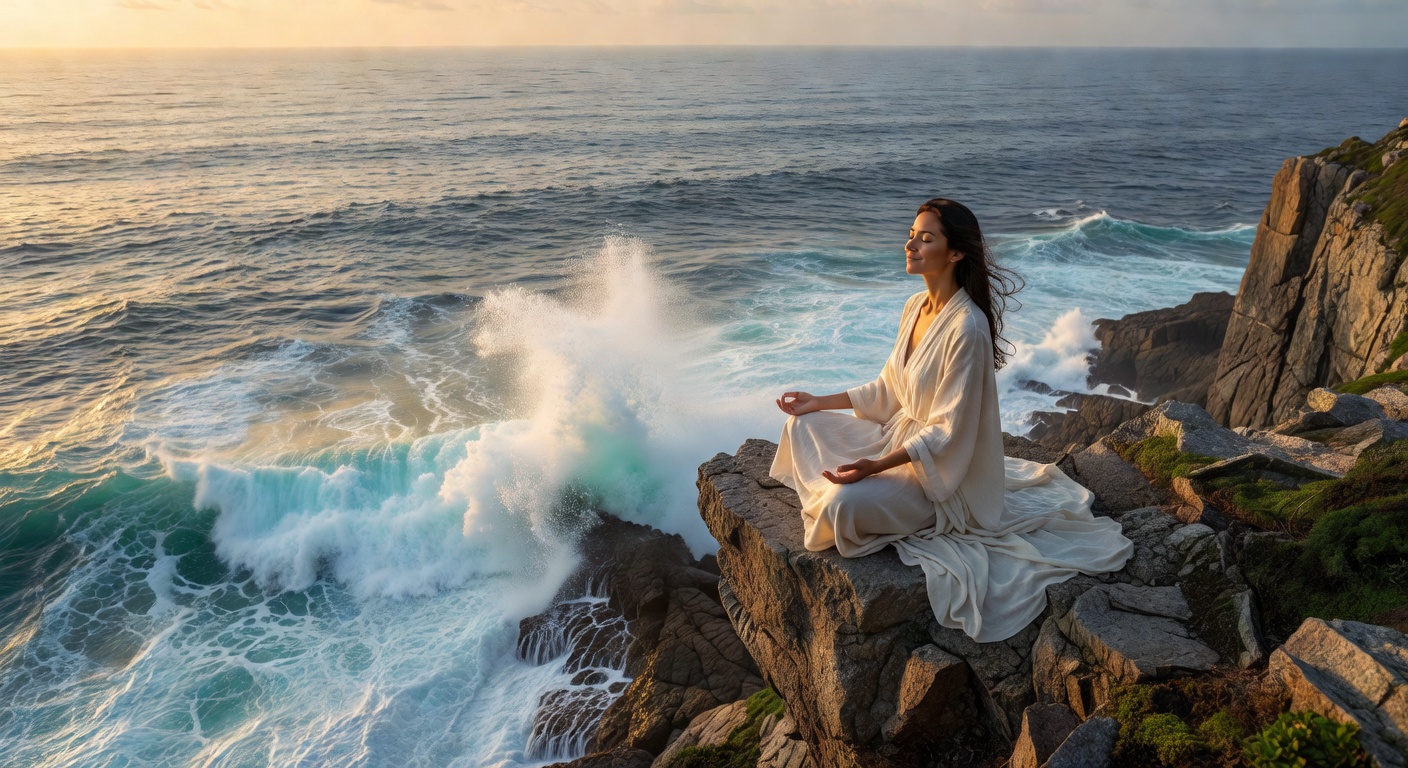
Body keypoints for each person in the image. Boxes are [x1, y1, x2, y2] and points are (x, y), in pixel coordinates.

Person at [769, 198, 1133, 643]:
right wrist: (817, 402)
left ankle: (851, 492)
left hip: (939, 478)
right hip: (898, 440)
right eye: (911, 235)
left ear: (956, 252)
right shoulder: (914, 308)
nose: (911, 245)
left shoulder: (968, 327)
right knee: (800, 428)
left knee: (841, 508)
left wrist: (874, 468)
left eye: (926, 238)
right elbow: (886, 390)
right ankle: (850, 483)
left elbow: (946, 432)